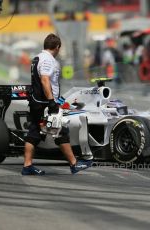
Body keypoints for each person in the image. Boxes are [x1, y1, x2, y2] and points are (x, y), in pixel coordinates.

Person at [22, 33, 93, 175]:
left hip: (37, 102)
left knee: (34, 133)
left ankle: (27, 165)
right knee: (61, 130)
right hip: (44, 104)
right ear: (57, 47)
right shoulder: (48, 60)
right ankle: (74, 164)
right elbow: (45, 80)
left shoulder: (38, 58)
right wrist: (51, 102)